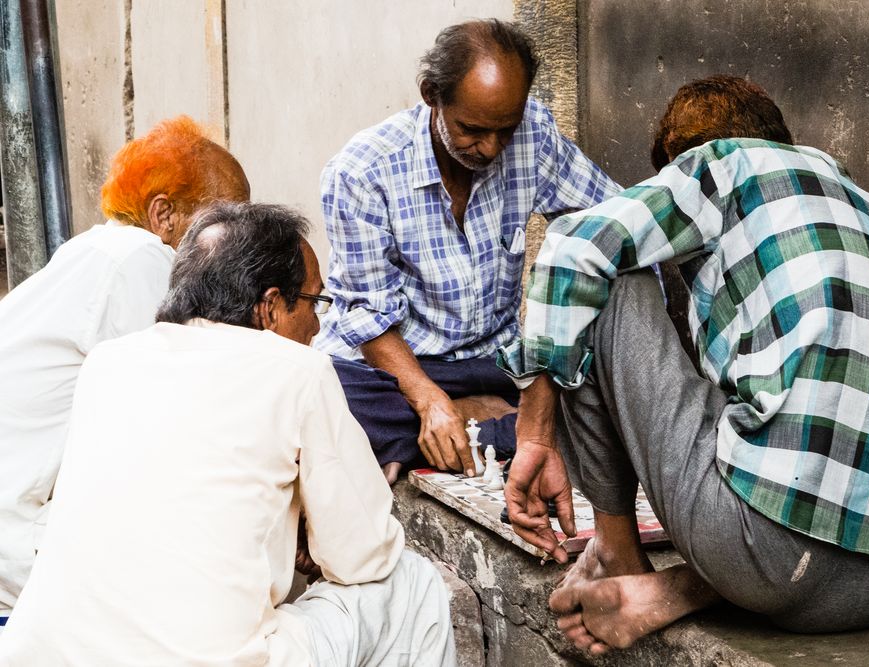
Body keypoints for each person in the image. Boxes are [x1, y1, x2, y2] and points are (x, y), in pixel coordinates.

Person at [499, 76, 869, 654]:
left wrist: (535, 432)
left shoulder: (721, 165)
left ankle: (616, 553)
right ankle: (688, 589)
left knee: (610, 271)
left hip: (762, 553)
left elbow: (571, 251)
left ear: (677, 161)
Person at [0, 202, 455, 666]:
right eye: (315, 302)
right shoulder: (299, 370)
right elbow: (363, 557)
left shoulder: (109, 361)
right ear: (271, 306)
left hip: (43, 654)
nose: (319, 326)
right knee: (411, 584)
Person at [316, 19, 620, 483]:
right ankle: (488, 423)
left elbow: (614, 222)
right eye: (472, 129)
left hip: (497, 363)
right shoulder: (362, 173)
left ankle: (464, 429)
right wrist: (431, 400)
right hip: (398, 371)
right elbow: (369, 317)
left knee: (602, 395)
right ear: (431, 96)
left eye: (506, 129)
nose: (492, 147)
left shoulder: (533, 133)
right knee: (329, 402)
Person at [0, 116, 250, 623]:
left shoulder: (96, 251)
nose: (239, 243)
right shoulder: (139, 261)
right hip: (23, 541)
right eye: (226, 221)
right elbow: (172, 425)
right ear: (164, 215)